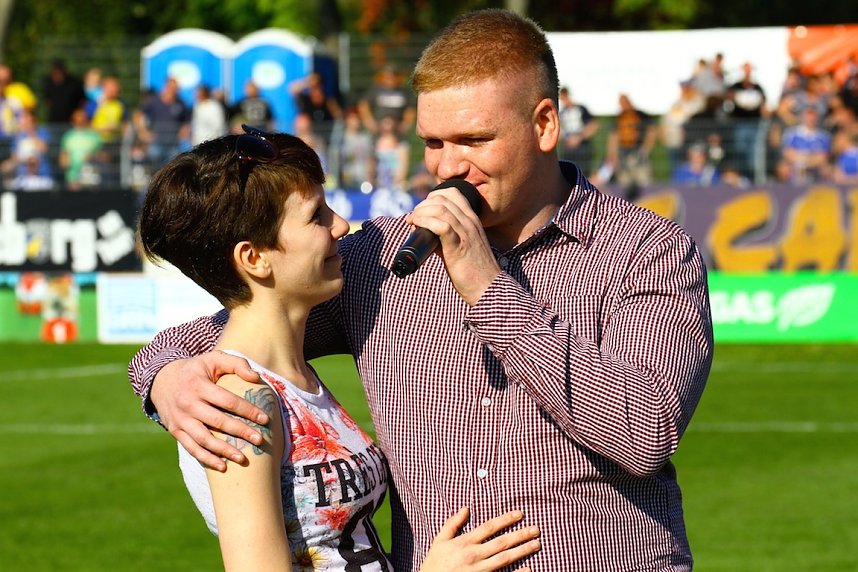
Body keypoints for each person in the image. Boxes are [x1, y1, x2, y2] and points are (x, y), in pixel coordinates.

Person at [129, 9, 713, 570]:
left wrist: (487, 286)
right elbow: (243, 322)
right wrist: (167, 379)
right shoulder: (388, 256)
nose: (448, 166)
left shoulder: (648, 250)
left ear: (544, 125)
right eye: (433, 142)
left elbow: (645, 429)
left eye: (473, 139)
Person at [136, 127, 541, 571]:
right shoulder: (240, 399)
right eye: (316, 217)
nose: (341, 226)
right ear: (254, 258)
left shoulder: (295, 375)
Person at [557, 86, 599, 176]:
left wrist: (579, 137)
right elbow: (560, 131)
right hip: (568, 148)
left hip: (582, 147)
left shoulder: (581, 109)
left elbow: (594, 125)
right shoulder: (562, 113)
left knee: (584, 174)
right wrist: (567, 138)